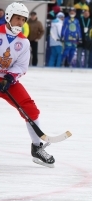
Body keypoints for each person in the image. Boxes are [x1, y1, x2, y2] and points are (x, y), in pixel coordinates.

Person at [0, 2, 56, 167]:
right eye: (17, 18)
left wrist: (9, 79)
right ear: (9, 17)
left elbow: (21, 66)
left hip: (7, 81)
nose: (20, 23)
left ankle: (37, 148)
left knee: (30, 109)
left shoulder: (24, 42)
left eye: (23, 20)